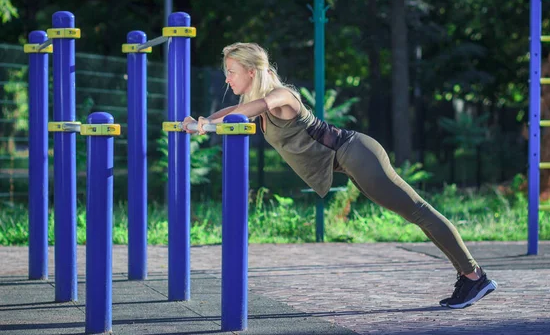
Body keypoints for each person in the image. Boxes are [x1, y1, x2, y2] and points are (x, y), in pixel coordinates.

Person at [183, 42, 497, 309]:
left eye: (231, 71)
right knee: (414, 214)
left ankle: (474, 276)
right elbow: (240, 113)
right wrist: (203, 121)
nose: (227, 78)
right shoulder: (253, 106)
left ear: (252, 71)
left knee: (417, 210)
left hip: (355, 152)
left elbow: (255, 107)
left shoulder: (282, 96)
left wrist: (207, 122)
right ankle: (469, 277)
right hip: (347, 160)